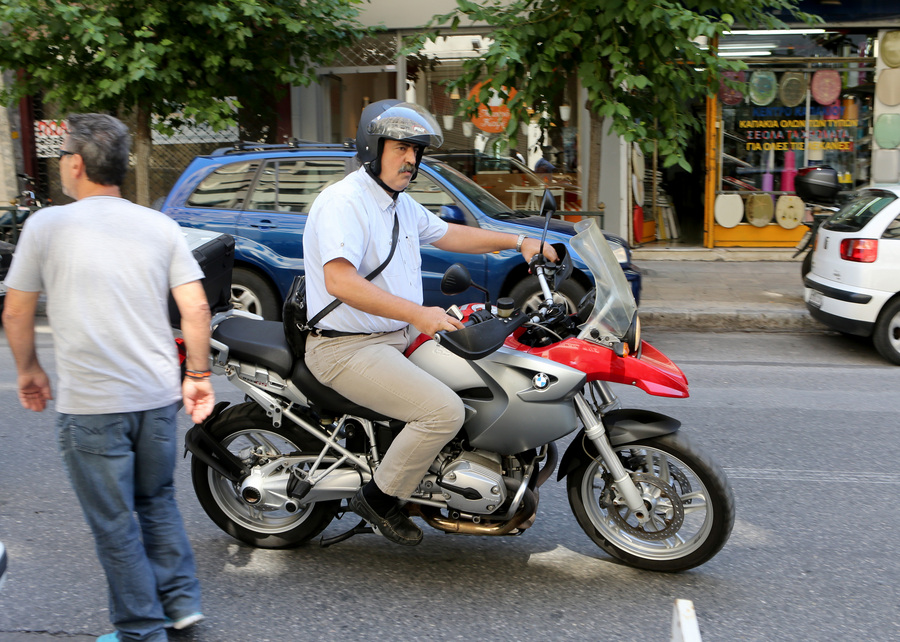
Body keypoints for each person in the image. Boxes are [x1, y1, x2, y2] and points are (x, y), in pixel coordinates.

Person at [302, 100, 557, 546]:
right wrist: (420, 314)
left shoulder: (397, 204)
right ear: (372, 147)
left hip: (393, 337)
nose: (411, 159)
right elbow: (339, 281)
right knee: (442, 411)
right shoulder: (344, 202)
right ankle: (378, 500)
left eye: (416, 151)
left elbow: (449, 234)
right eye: (402, 147)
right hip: (345, 347)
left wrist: (520, 241)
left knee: (488, 374)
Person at [2, 113, 215, 642]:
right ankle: (182, 607)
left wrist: (29, 370)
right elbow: (196, 309)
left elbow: (14, 313)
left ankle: (142, 629)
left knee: (116, 522)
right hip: (156, 397)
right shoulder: (160, 226)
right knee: (157, 501)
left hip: (93, 405)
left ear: (75, 164)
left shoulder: (45, 226)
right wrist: (198, 375)